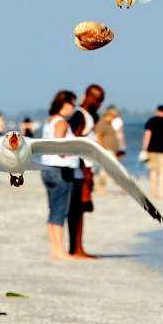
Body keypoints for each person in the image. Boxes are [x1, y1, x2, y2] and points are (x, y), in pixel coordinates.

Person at [39, 90, 78, 260]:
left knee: (52, 209)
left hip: (46, 168)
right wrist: (70, 152)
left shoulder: (49, 121)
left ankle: (55, 250)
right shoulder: (61, 122)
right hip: (60, 169)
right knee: (60, 210)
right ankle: (60, 250)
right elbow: (58, 143)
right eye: (72, 104)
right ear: (65, 104)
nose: (74, 108)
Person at [67, 84, 104, 259]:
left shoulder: (88, 116)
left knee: (79, 209)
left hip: (83, 169)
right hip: (79, 170)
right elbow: (75, 143)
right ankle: (77, 249)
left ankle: (76, 248)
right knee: (77, 209)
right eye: (98, 99)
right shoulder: (80, 115)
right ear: (89, 97)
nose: (100, 104)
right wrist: (85, 168)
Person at [141, 105, 163, 198]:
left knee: (153, 171)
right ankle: (161, 192)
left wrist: (144, 148)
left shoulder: (151, 121)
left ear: (157, 111)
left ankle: (153, 191)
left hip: (152, 149)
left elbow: (147, 135)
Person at [93, 105, 121, 193]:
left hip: (111, 150)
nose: (115, 118)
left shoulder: (109, 124)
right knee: (106, 169)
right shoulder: (102, 123)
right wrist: (102, 148)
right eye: (114, 116)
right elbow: (98, 135)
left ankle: (117, 186)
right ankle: (100, 187)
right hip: (106, 149)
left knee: (111, 169)